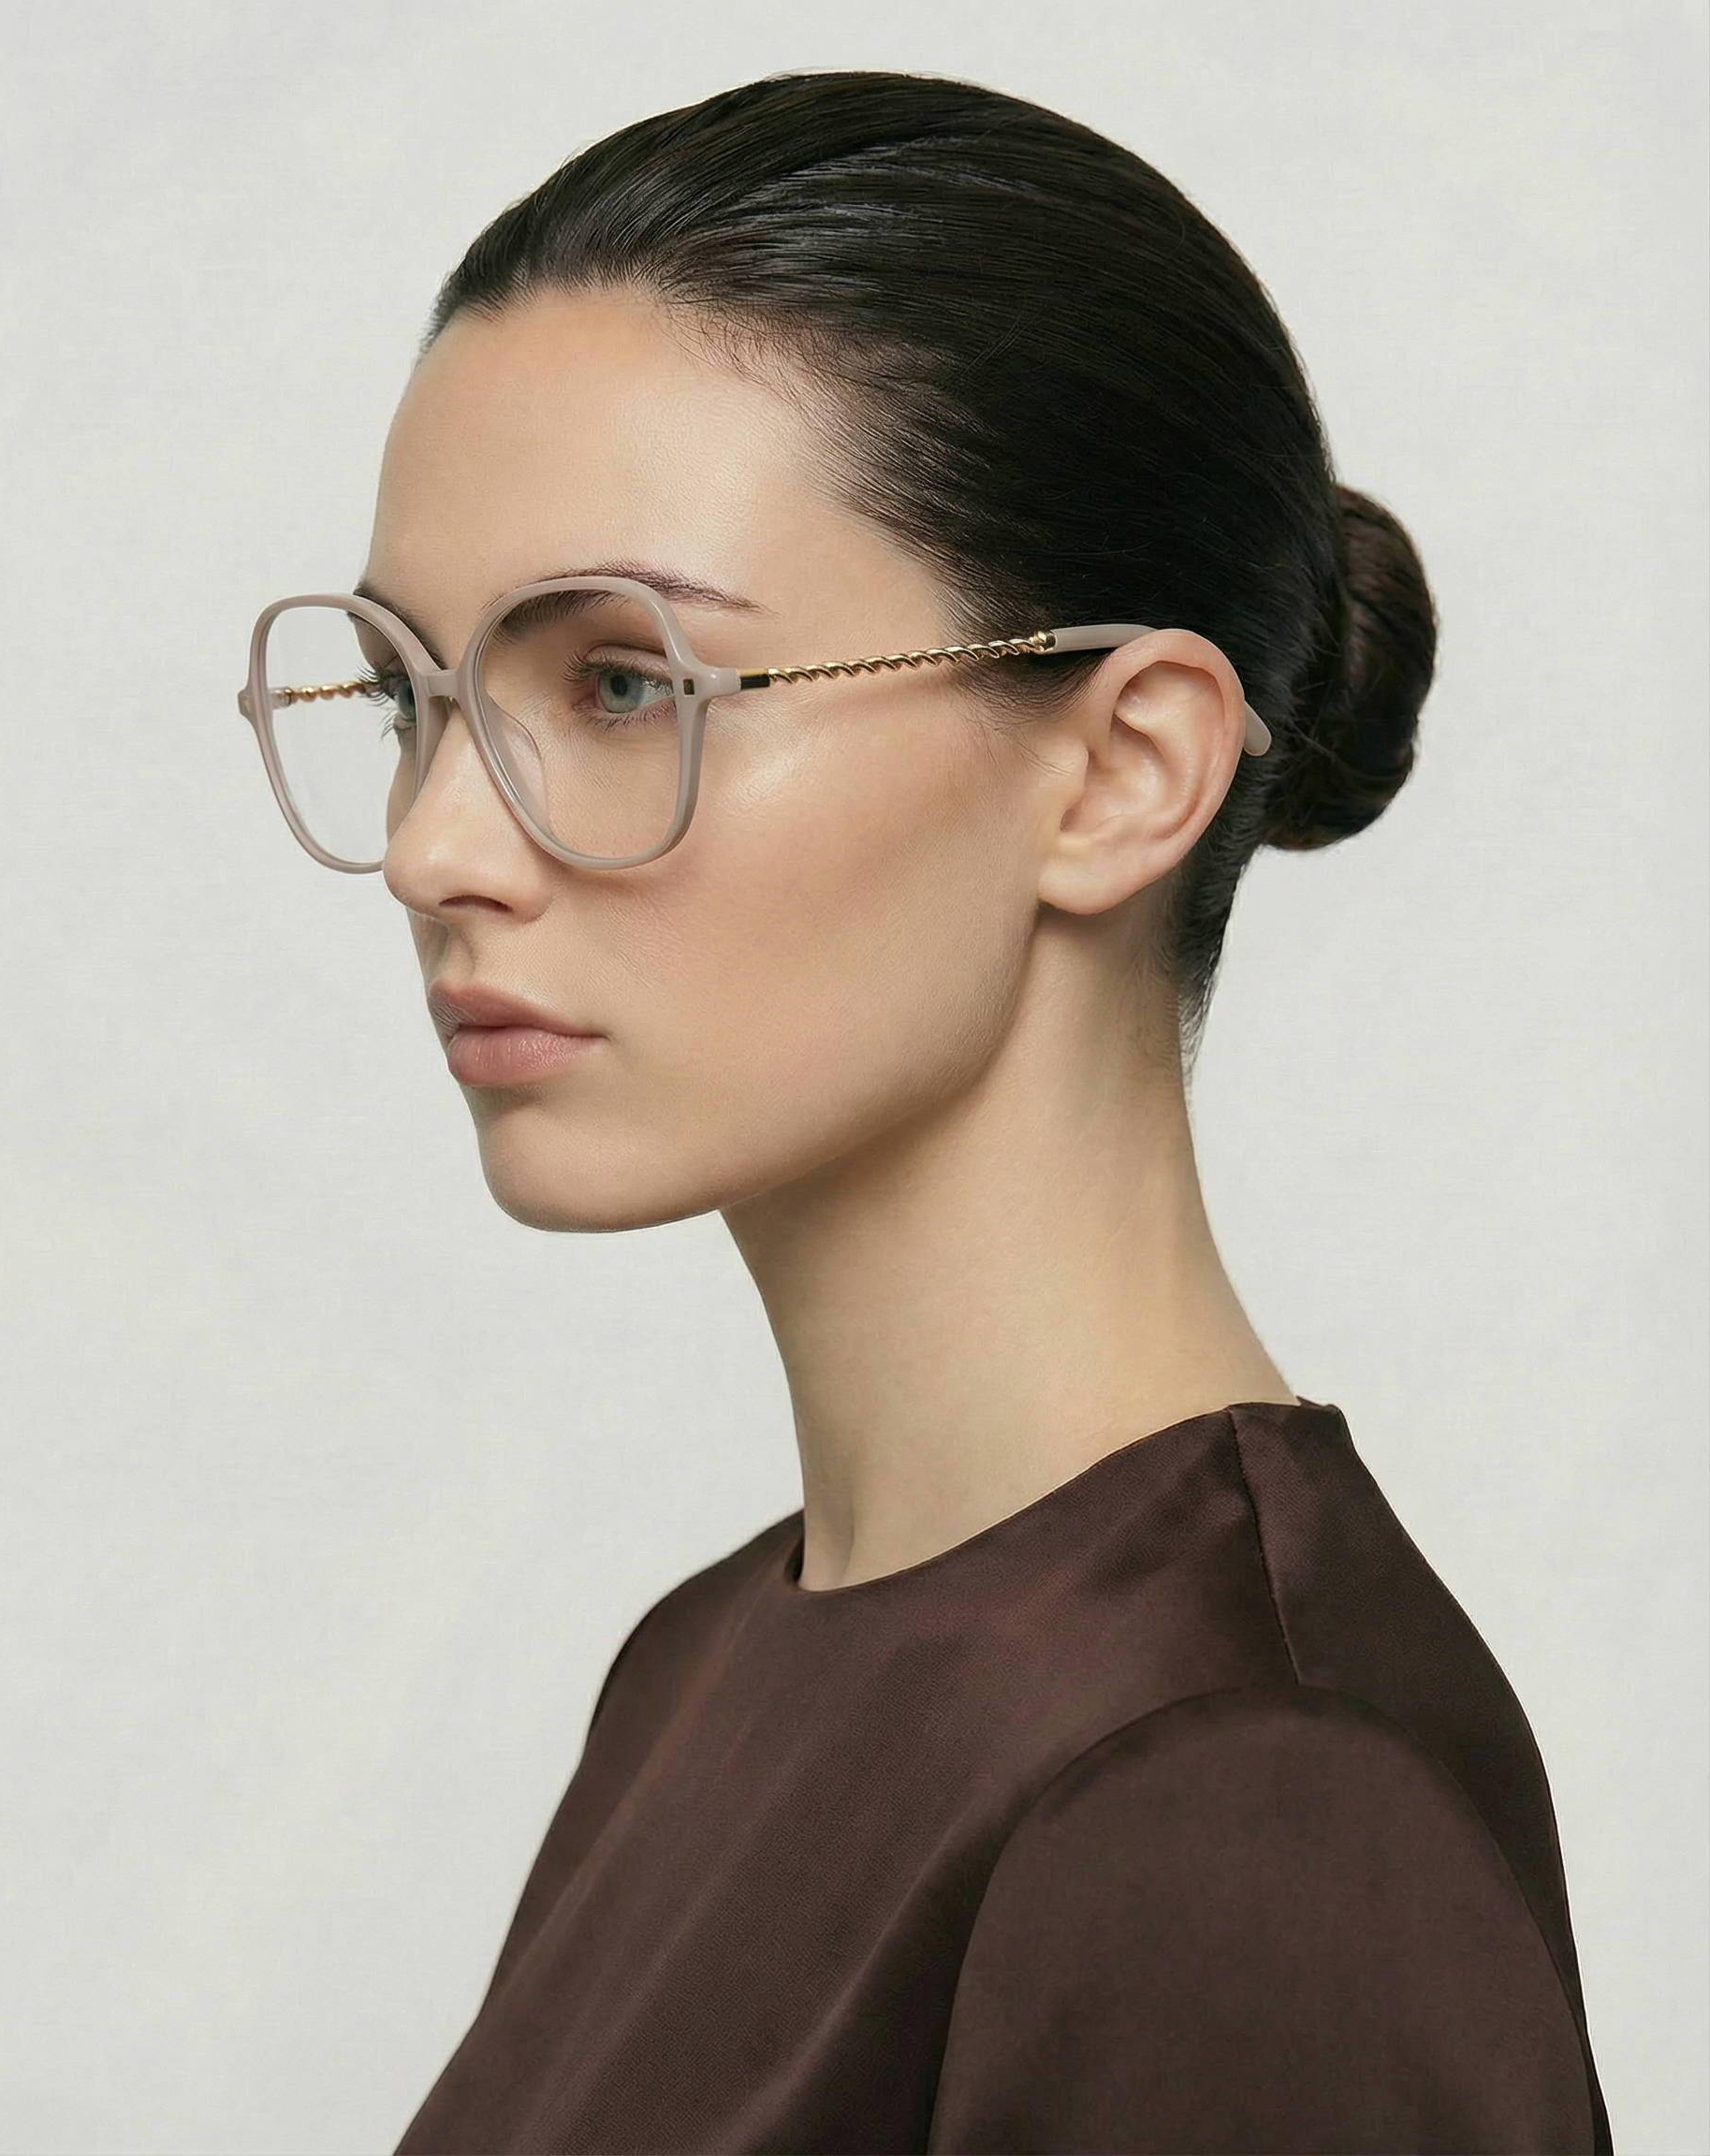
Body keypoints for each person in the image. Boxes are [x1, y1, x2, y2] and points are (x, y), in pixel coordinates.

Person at [238, 69, 1610, 2155]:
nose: (438, 846)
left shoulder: (1237, 1803)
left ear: (1119, 769)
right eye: (416, 697)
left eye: (620, 684)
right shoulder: (712, 1665)